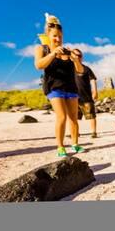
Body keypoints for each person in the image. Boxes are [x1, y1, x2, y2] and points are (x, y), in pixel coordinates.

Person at [34, 14, 85, 157]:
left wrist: (75, 60)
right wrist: (52, 54)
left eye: (60, 36)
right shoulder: (42, 49)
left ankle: (75, 144)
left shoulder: (68, 52)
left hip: (71, 88)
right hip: (54, 88)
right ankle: (60, 147)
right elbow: (38, 65)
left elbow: (80, 71)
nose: (58, 39)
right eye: (55, 36)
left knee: (73, 118)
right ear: (48, 35)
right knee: (61, 117)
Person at [72, 48, 99, 138]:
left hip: (86, 96)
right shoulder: (69, 69)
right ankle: (75, 132)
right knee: (74, 117)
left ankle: (93, 132)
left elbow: (93, 80)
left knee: (91, 115)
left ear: (82, 57)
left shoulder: (86, 69)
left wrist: (95, 91)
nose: (77, 57)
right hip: (73, 97)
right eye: (75, 55)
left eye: (79, 55)